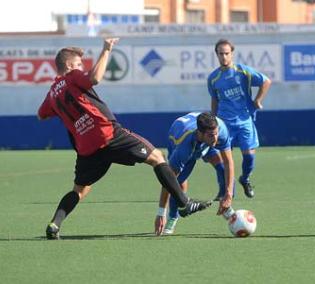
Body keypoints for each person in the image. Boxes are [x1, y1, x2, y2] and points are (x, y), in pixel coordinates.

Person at [38, 38, 211, 240]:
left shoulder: (52, 94)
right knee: (157, 157)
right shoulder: (73, 77)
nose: (81, 68)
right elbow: (94, 78)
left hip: (87, 149)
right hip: (108, 134)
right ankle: (184, 203)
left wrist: (66, 111)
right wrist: (106, 50)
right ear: (68, 66)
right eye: (78, 64)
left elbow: (41, 115)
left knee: (80, 190)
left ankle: (54, 224)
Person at [207, 39, 272, 198]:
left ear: (232, 54)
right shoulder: (213, 78)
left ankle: (245, 178)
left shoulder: (243, 71)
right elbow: (215, 99)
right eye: (220, 54)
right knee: (222, 161)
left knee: (249, 157)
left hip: (244, 121)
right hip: (224, 123)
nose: (224, 57)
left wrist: (258, 100)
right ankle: (225, 191)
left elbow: (266, 81)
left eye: (226, 53)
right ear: (216, 55)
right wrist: (213, 121)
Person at [154, 112, 234, 235]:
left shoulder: (220, 130)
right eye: (211, 135)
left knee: (222, 167)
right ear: (200, 133)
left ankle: (225, 205)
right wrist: (161, 213)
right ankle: (173, 217)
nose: (215, 139)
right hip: (178, 136)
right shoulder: (184, 147)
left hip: (203, 143)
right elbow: (168, 180)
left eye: (216, 134)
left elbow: (229, 162)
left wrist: (228, 194)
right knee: (178, 184)